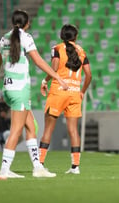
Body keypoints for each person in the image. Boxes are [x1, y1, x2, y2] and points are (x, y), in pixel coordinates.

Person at [0, 9, 69, 179]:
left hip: (7, 89)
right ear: (27, 23)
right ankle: (4, 169)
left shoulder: (4, 39)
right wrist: (57, 77)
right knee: (16, 131)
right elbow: (38, 61)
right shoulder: (26, 37)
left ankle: (37, 167)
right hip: (20, 90)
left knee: (32, 127)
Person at [38, 24, 92, 175]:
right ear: (76, 36)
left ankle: (40, 164)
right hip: (74, 93)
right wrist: (82, 91)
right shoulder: (82, 52)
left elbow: (54, 69)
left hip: (58, 91)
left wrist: (45, 81)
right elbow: (89, 75)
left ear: (62, 36)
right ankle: (75, 167)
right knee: (73, 130)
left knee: (48, 128)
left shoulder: (57, 49)